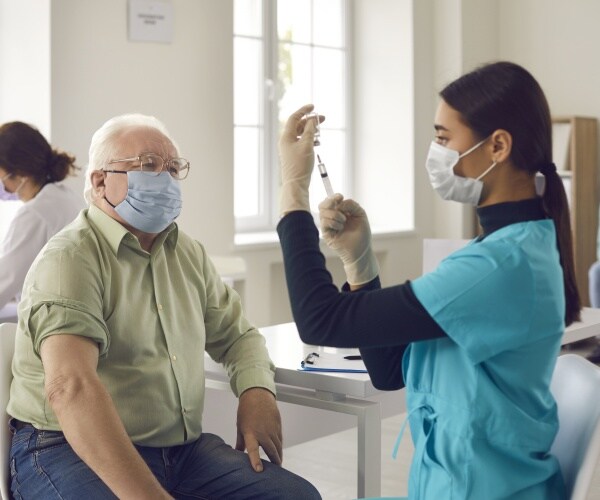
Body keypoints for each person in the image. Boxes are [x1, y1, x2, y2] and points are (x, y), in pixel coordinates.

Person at [277, 61, 581, 499]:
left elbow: (320, 320)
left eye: (443, 137)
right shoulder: (504, 250)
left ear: (497, 146)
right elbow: (388, 370)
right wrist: (359, 262)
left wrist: (292, 194)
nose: (434, 152)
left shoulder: (499, 266)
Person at [7, 114, 321, 500]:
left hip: (180, 451)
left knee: (295, 496)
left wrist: (256, 393)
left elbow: (238, 336)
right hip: (65, 447)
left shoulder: (187, 252)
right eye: (148, 166)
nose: (165, 178)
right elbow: (71, 388)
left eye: (173, 168)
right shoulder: (71, 257)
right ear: (100, 180)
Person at [0, 121, 84, 309]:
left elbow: (4, 282)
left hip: (59, 321)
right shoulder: (64, 196)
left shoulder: (35, 215)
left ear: (20, 173)